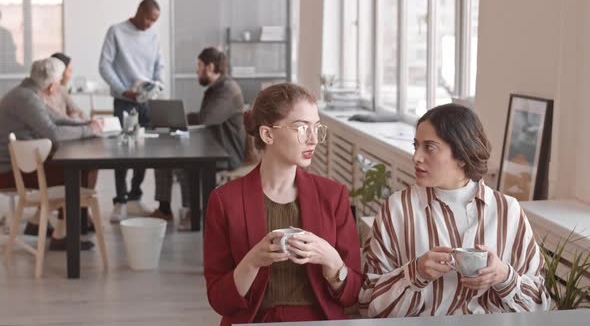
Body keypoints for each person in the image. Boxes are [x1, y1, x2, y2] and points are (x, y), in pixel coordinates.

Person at [358, 104, 550, 317]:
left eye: (429, 147)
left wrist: (504, 276)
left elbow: (540, 307)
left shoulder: (507, 211)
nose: (416, 157)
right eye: (416, 146)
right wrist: (416, 273)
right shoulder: (397, 210)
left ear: (461, 154)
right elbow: (369, 303)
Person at [204, 83, 361, 325]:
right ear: (268, 134)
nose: (313, 139)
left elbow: (352, 294)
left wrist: (331, 260)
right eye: (301, 128)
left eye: (316, 128)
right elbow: (219, 300)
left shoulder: (333, 195)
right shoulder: (225, 200)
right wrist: (253, 260)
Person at [0, 58, 102, 250]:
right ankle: (63, 233)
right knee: (73, 172)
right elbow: (54, 133)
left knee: (81, 167)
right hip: (8, 172)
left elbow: (57, 120)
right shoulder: (26, 98)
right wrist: (89, 130)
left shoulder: (28, 93)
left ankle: (63, 226)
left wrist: (88, 125)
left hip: (19, 164)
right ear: (53, 84)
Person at [150, 47, 245, 229]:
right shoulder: (216, 88)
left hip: (226, 152)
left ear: (210, 67)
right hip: (211, 145)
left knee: (184, 163)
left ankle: (191, 212)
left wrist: (179, 118)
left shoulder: (227, 90)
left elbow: (206, 118)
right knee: (163, 159)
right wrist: (177, 117)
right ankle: (164, 209)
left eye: (199, 65)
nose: (197, 70)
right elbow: (204, 117)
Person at [99, 0, 164, 222]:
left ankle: (135, 197)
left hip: (145, 101)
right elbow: (104, 65)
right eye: (148, 18)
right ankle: (121, 201)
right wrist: (123, 90)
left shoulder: (153, 37)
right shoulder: (116, 32)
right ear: (138, 11)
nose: (149, 24)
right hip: (124, 100)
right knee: (122, 152)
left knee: (143, 151)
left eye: (154, 21)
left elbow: (159, 66)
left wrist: (157, 85)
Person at [44, 52, 86, 121]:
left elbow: (77, 111)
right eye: (69, 71)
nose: (70, 76)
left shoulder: (62, 89)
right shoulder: (45, 93)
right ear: (59, 72)